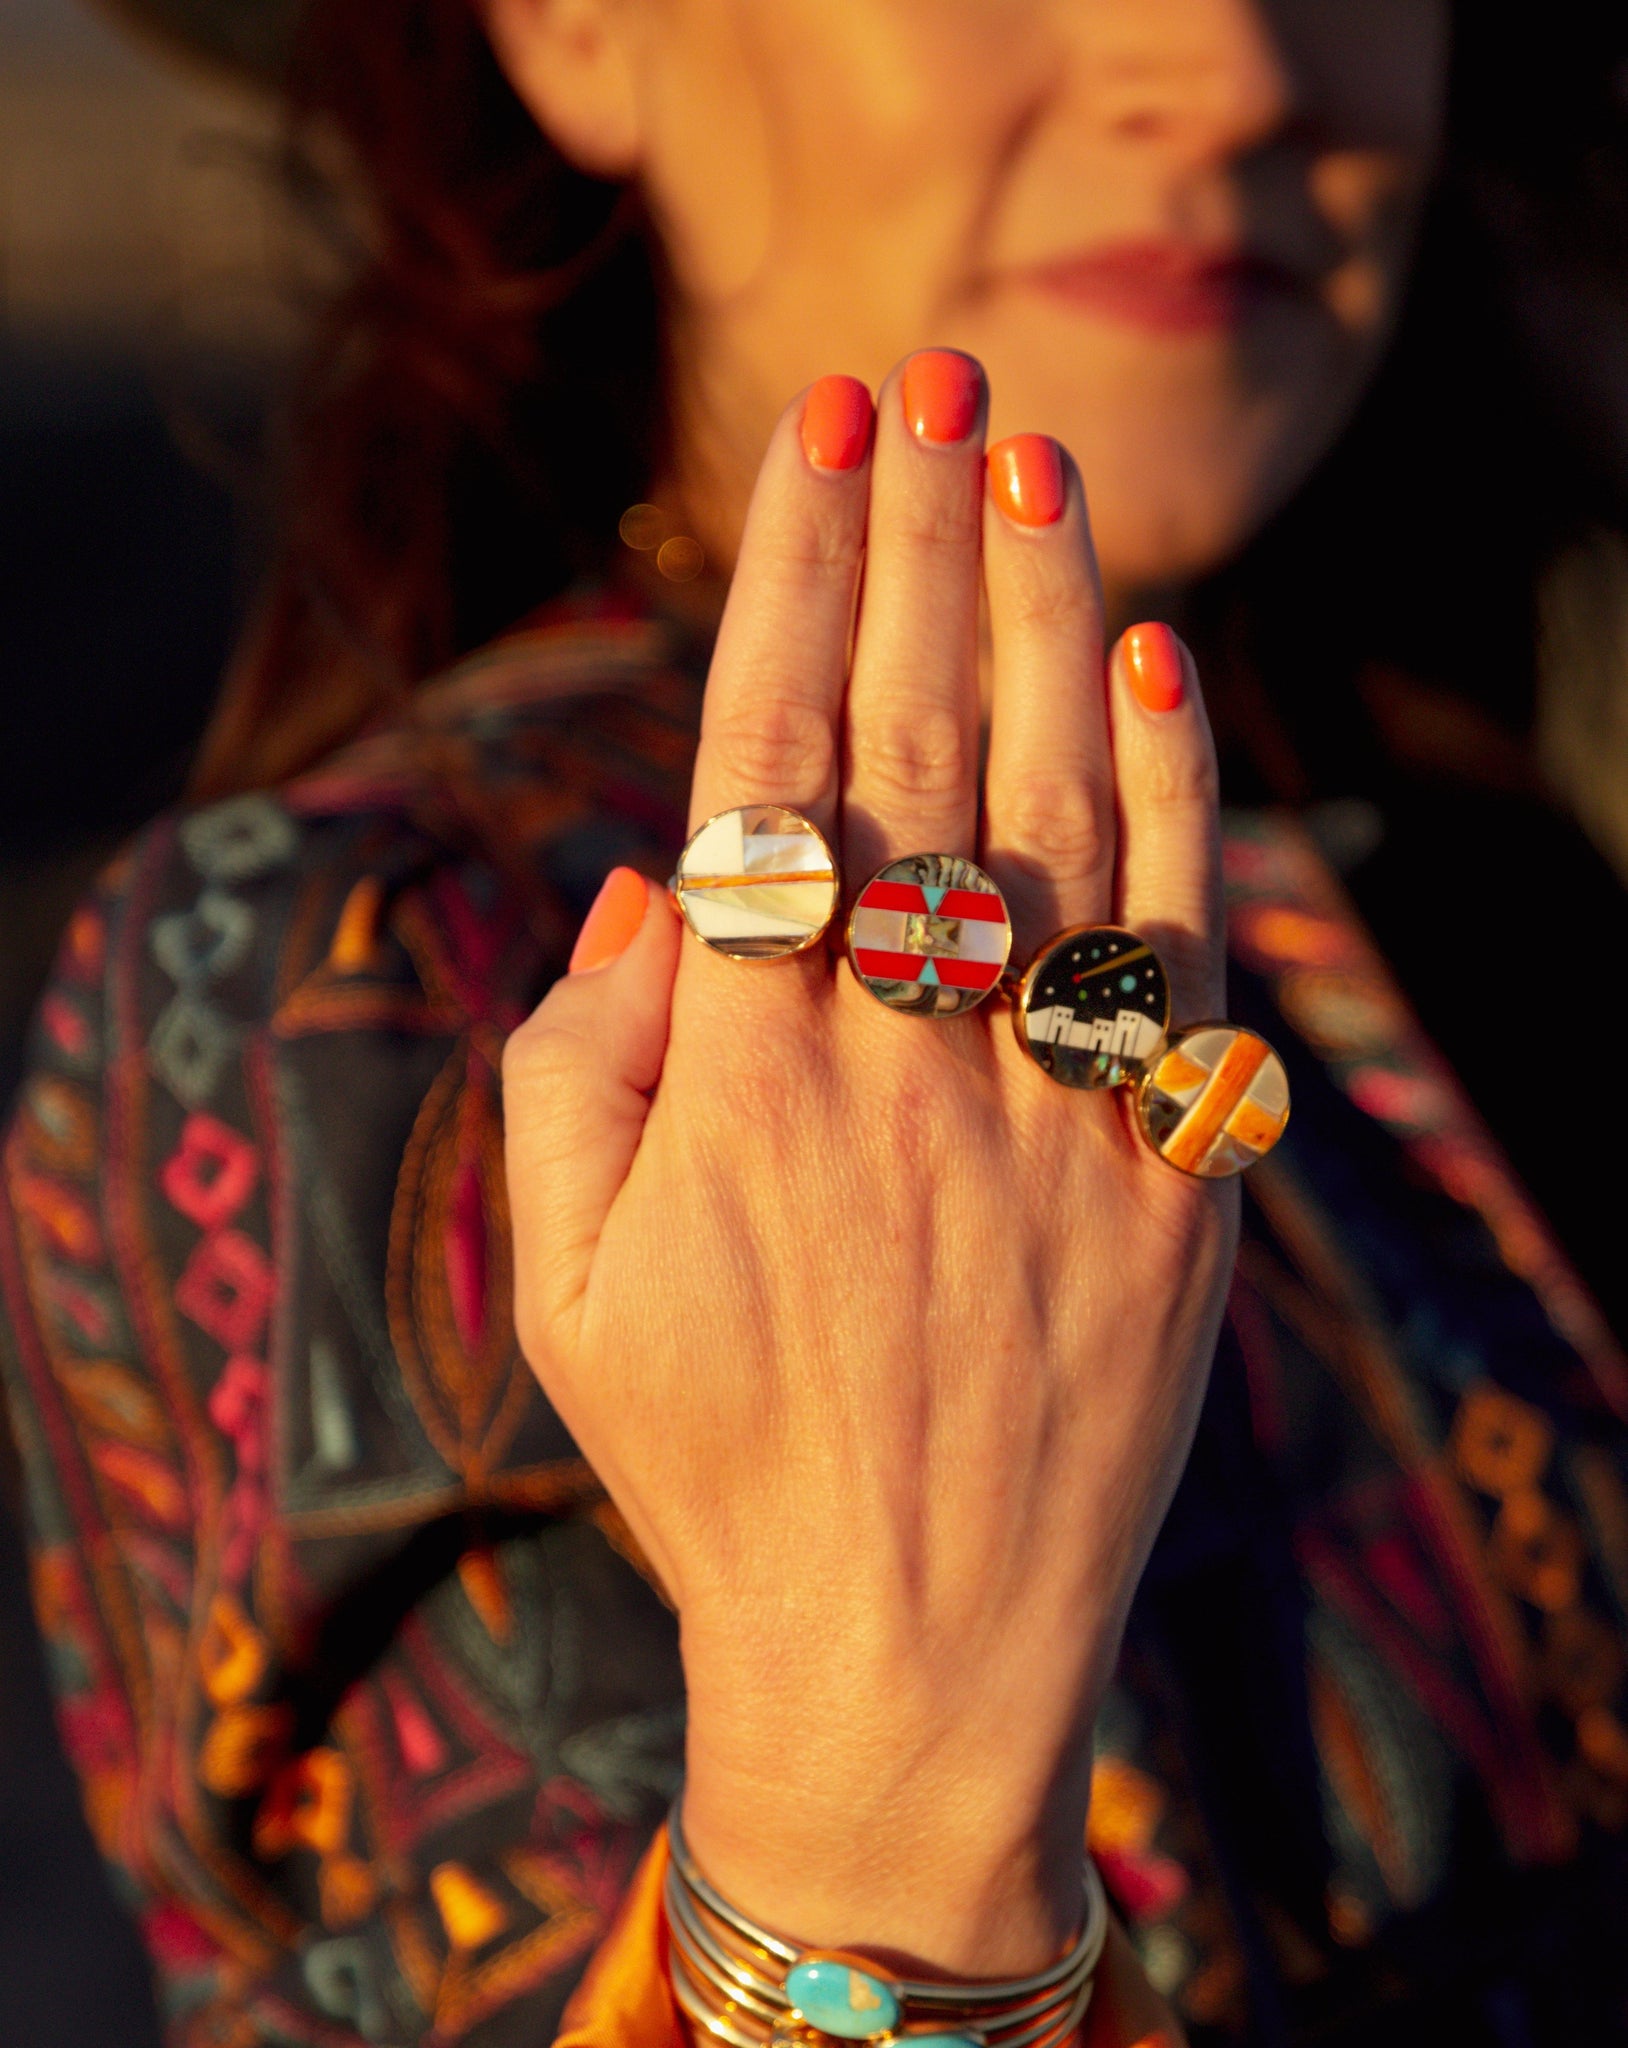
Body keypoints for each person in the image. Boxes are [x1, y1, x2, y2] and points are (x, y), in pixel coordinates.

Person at [4, 0, 1628, 2043]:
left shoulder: (1483, 891)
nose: (1222, 68)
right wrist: (884, 1809)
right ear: (584, 30)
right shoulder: (360, 999)